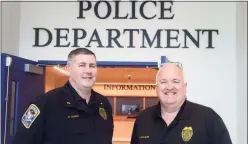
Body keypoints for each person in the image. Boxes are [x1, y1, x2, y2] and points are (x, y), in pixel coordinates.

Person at [13, 48, 114, 144]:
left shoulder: (103, 103)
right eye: (82, 65)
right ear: (68, 70)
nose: (88, 71)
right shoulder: (46, 103)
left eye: (92, 66)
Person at [130, 62, 232, 144]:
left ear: (185, 87)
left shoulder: (208, 118)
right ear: (156, 88)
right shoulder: (143, 119)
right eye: (163, 82)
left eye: (175, 81)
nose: (169, 87)